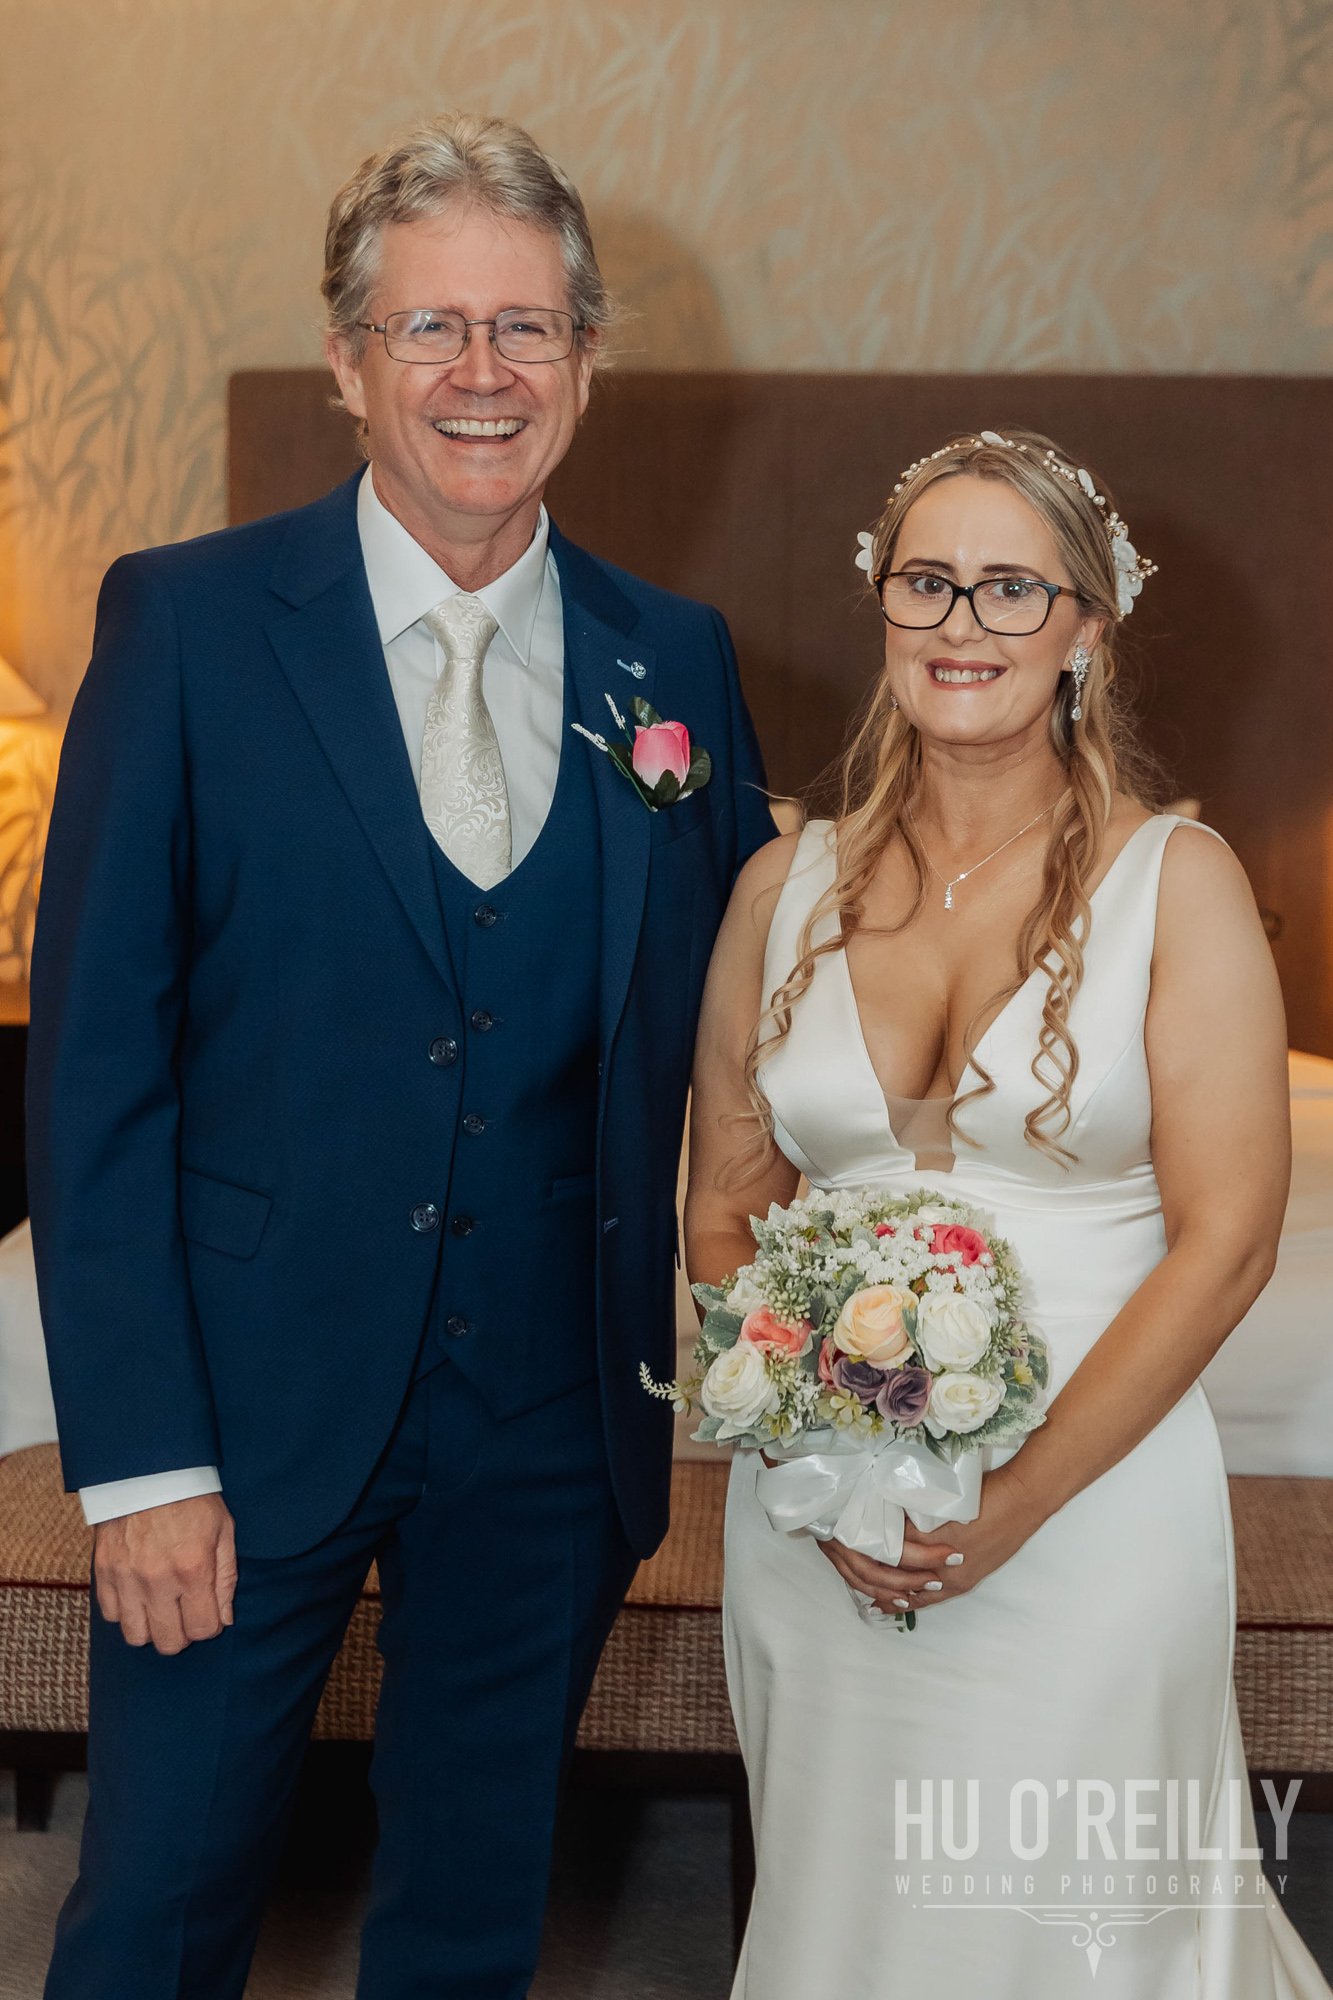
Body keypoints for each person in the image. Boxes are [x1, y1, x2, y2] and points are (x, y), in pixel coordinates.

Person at [27, 111, 771, 1999]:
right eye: (428, 327)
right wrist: (140, 1460)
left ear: (586, 363)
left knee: (467, 1928)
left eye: (525, 328)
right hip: (238, 1413)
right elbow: (95, 1073)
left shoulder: (674, 659)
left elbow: (749, 1022)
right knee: (155, 1920)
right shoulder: (185, 623)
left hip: (547, 1423)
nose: (479, 373)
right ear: (348, 363)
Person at [687, 428, 1332, 1997]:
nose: (960, 623)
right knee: (844, 1917)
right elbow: (724, 1207)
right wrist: (814, 1447)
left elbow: (1231, 1242)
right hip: (820, 1524)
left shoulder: (1176, 881)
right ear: (882, 606)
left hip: (1089, 1513)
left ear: (1083, 627)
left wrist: (1013, 1502)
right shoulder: (781, 887)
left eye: (1009, 588)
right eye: (926, 582)